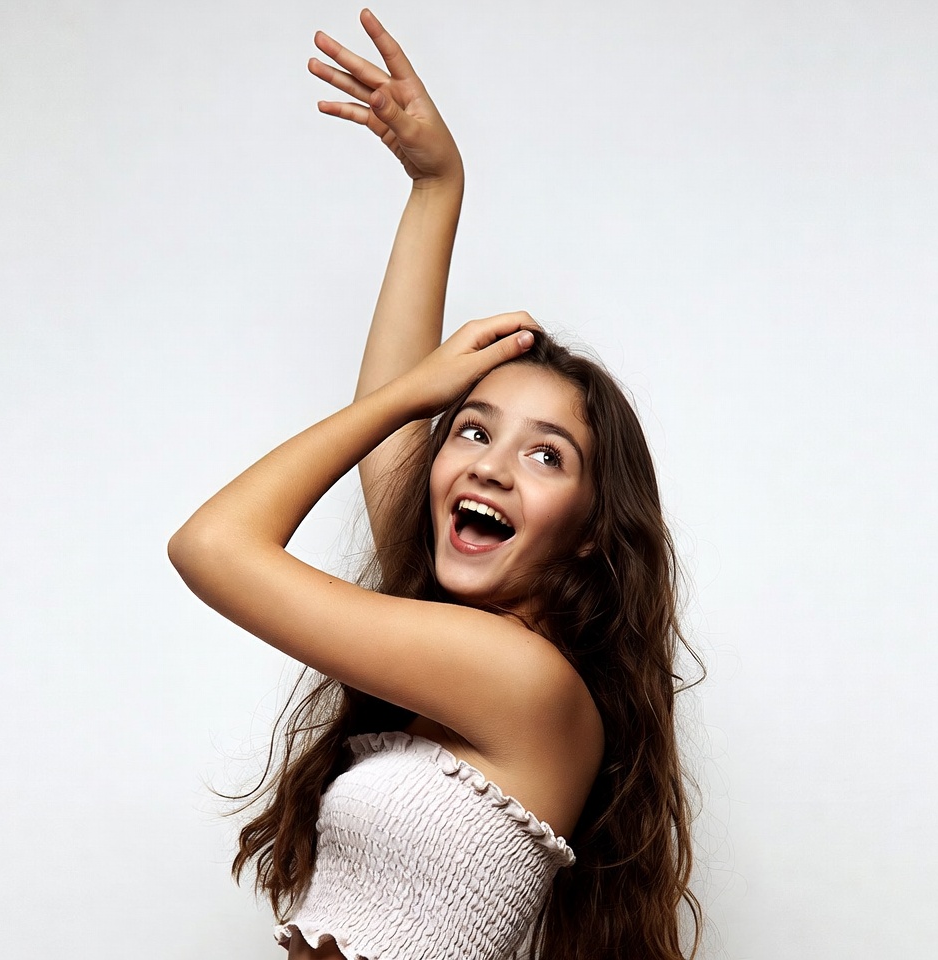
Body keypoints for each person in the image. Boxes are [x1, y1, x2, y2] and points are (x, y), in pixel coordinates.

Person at [168, 9, 701, 960]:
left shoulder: (524, 682)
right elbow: (388, 432)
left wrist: (425, 393)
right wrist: (435, 186)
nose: (491, 464)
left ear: (588, 530)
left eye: (547, 454)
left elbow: (211, 547)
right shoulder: (468, 651)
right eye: (472, 428)